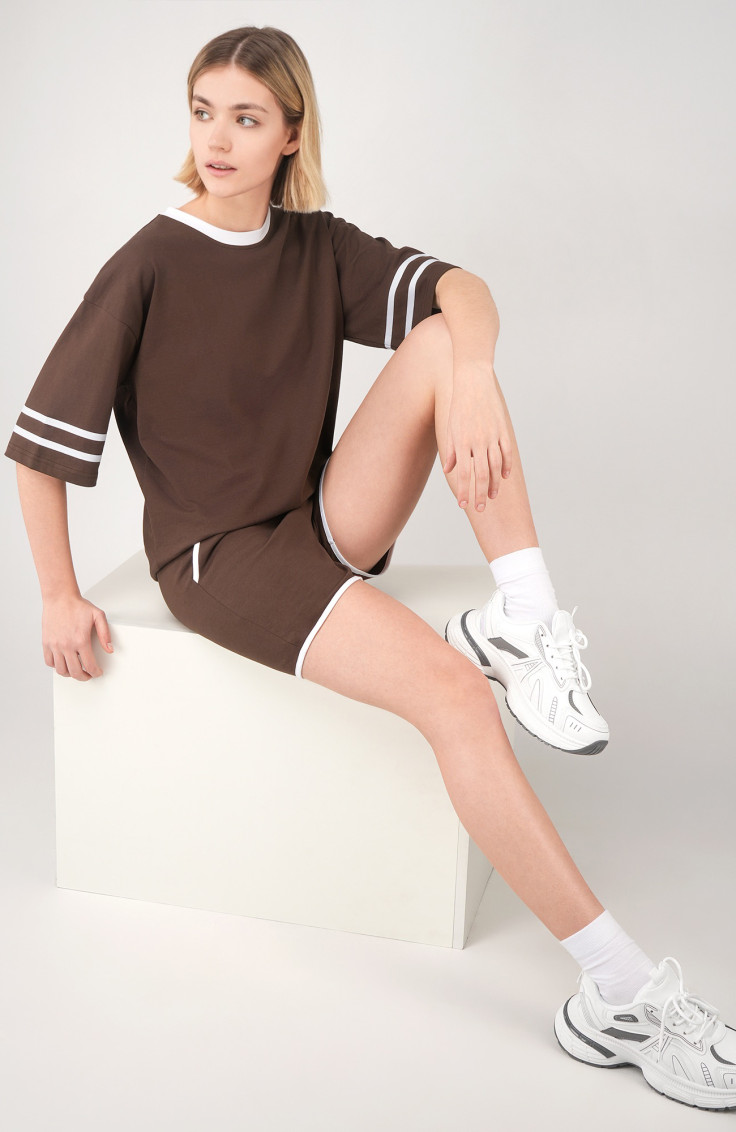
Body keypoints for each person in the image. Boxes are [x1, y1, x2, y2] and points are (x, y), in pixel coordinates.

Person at [7, 25, 734, 1111]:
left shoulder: (315, 246)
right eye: (203, 113)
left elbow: (463, 287)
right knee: (456, 697)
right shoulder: (150, 259)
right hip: (218, 556)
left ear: (290, 134)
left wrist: (473, 373)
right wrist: (59, 595)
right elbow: (38, 444)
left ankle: (526, 615)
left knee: (442, 339)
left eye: (245, 117)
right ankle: (618, 994)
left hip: (314, 517)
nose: (217, 139)